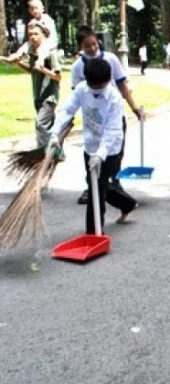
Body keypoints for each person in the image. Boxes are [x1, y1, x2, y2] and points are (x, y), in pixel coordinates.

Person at [47, 58, 138, 232]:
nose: (96, 90)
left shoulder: (114, 98)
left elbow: (113, 130)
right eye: (93, 86)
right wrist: (54, 133)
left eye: (100, 86)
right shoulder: (82, 90)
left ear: (107, 80)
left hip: (110, 150)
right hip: (90, 145)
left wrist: (100, 154)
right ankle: (127, 204)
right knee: (96, 182)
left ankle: (94, 233)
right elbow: (67, 110)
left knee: (96, 188)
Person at [70, 26, 141, 206]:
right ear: (80, 47)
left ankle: (114, 186)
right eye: (87, 46)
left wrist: (134, 108)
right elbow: (76, 97)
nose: (93, 48)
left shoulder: (111, 59)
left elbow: (122, 84)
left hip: (113, 114)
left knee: (113, 156)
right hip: (93, 119)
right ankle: (96, 188)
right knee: (92, 157)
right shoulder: (77, 67)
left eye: (94, 44)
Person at [1, 20, 61, 148]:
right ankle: (57, 154)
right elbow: (32, 70)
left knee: (40, 124)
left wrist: (43, 69)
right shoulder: (32, 52)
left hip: (49, 96)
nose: (33, 37)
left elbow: (58, 77)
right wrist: (18, 63)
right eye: (30, 34)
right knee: (48, 127)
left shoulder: (51, 53)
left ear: (43, 35)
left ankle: (42, 155)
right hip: (37, 96)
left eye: (36, 34)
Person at [8, 0, 58, 66]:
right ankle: (15, 57)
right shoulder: (32, 21)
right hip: (37, 42)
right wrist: (30, 29)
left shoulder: (47, 18)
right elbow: (31, 35)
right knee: (26, 45)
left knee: (43, 47)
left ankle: (40, 61)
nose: (34, 11)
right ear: (29, 11)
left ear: (42, 9)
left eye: (36, 8)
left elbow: (48, 32)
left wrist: (39, 24)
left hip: (49, 42)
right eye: (32, 9)